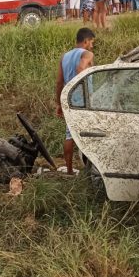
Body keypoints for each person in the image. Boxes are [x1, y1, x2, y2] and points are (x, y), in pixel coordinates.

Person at [55, 28, 95, 175]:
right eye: (91, 42)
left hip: (69, 99)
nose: (92, 45)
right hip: (84, 99)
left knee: (69, 134)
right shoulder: (87, 54)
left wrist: (59, 103)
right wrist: (83, 91)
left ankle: (70, 171)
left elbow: (59, 82)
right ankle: (92, 169)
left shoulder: (64, 57)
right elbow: (81, 68)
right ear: (86, 41)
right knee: (91, 132)